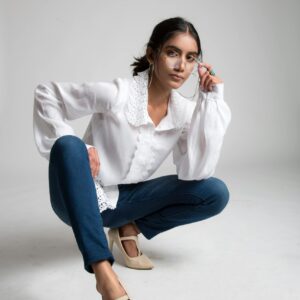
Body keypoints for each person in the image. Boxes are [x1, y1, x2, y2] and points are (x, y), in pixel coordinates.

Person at [33, 16, 232, 300]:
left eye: (190, 58)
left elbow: (194, 172)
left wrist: (210, 101)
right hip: (78, 198)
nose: (181, 66)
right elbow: (46, 95)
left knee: (215, 192)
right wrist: (83, 149)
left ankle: (130, 228)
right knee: (68, 145)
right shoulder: (119, 93)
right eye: (172, 53)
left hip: (127, 202)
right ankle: (103, 272)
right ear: (153, 54)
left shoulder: (184, 113)